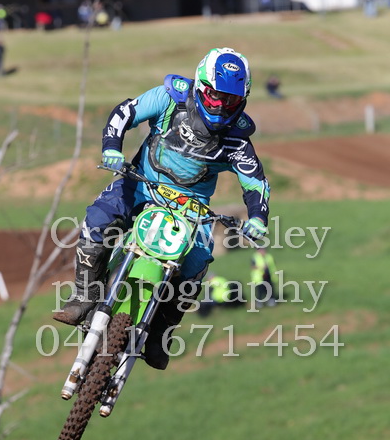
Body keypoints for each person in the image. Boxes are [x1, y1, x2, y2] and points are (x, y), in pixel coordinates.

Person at [53, 47, 271, 369]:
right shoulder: (170, 98)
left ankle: (160, 333)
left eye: (230, 100)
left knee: (196, 265)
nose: (221, 105)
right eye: (215, 96)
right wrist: (112, 148)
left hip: (192, 207)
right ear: (200, 87)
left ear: (242, 101)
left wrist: (258, 218)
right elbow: (125, 112)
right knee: (96, 222)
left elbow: (256, 183)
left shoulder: (237, 139)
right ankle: (85, 296)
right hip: (141, 183)